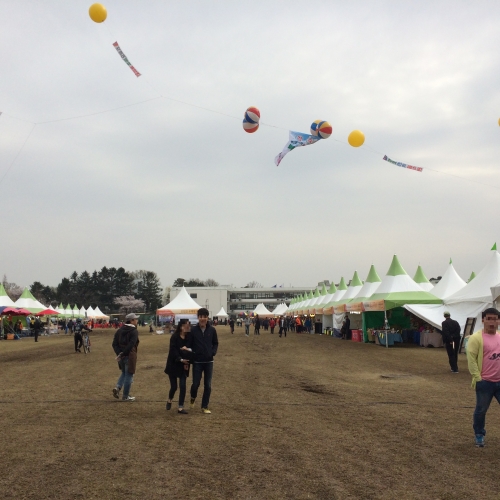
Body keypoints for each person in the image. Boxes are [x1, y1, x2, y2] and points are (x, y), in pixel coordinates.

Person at [467, 307, 500, 447]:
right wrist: (477, 377)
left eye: (495, 319)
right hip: (485, 382)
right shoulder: (476, 338)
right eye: (489, 319)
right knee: (481, 410)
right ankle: (479, 434)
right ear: (483, 320)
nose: (492, 322)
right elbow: (471, 359)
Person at [188, 308, 218, 414]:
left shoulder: (212, 330)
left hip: (209, 361)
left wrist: (213, 352)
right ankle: (193, 396)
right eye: (201, 317)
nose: (203, 319)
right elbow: (189, 345)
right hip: (197, 362)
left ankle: (204, 406)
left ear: (207, 317)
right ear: (198, 317)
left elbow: (215, 343)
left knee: (208, 385)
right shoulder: (193, 330)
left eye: (204, 316)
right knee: (195, 384)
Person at [165, 319, 192, 414]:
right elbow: (173, 350)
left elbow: (191, 349)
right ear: (181, 326)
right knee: (174, 387)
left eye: (188, 325)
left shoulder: (189, 338)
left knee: (183, 386)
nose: (187, 327)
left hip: (184, 365)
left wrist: (188, 352)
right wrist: (180, 359)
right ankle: (170, 399)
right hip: (173, 363)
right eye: (185, 325)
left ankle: (180, 407)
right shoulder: (174, 337)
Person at [112, 313, 140, 401]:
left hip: (121, 356)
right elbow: (131, 344)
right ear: (131, 320)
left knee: (124, 372)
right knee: (129, 374)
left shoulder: (119, 330)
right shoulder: (134, 331)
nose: (137, 321)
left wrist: (119, 353)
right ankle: (125, 396)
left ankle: (118, 387)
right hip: (129, 355)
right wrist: (124, 353)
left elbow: (114, 344)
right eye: (135, 319)